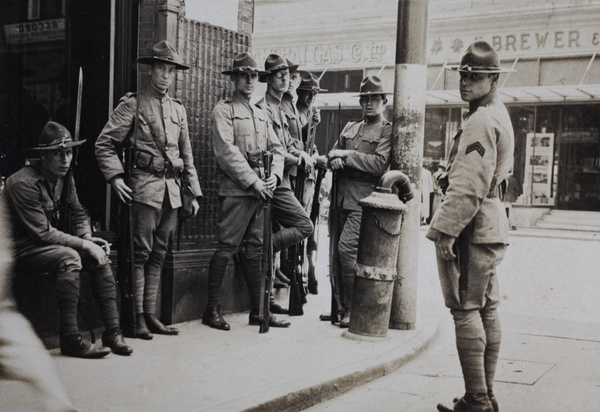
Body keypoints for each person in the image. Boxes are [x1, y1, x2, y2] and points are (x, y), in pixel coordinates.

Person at [426, 41, 515, 412]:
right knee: (487, 309)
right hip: (491, 224)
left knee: (465, 309)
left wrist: (445, 230)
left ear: (493, 79)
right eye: (462, 75)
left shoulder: (480, 120)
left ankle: (476, 401)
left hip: (471, 228)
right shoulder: (497, 112)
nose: (465, 82)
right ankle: (486, 396)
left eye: (474, 76)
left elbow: (469, 184)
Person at [95, 40, 202, 339]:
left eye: (170, 70)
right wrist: (116, 178)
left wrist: (192, 192)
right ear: (150, 71)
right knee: (139, 255)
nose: (166, 76)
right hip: (142, 188)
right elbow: (104, 144)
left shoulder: (178, 110)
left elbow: (187, 154)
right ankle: (137, 318)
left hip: (172, 190)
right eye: (160, 69)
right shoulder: (133, 103)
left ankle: (152, 315)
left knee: (159, 253)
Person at [5, 121, 133, 358]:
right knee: (70, 257)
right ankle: (70, 338)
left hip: (45, 247)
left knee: (100, 255)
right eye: (58, 153)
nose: (65, 159)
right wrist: (85, 245)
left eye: (68, 152)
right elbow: (42, 233)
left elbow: (77, 212)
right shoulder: (23, 183)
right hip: (19, 249)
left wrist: (87, 236)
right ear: (43, 156)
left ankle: (113, 332)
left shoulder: (65, 178)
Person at [202, 52, 287, 331]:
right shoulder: (223, 110)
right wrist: (254, 182)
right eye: (244, 76)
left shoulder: (261, 113)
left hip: (262, 191)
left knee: (255, 250)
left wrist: (273, 175)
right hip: (238, 191)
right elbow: (227, 153)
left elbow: (277, 149)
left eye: (253, 76)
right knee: (226, 247)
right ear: (235, 79)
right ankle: (211, 309)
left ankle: (257, 311)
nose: (250, 81)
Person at [323, 75, 393, 328]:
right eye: (365, 99)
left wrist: (347, 155)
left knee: (346, 250)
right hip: (340, 198)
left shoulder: (387, 130)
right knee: (334, 254)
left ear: (383, 102)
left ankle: (353, 309)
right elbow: (331, 153)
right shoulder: (350, 127)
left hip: (363, 201)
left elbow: (379, 164)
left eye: (374, 99)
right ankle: (339, 306)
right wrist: (335, 159)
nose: (369, 104)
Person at [257, 54, 315, 314]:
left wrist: (302, 154)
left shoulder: (281, 107)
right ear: (268, 79)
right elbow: (271, 149)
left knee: (285, 231)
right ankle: (264, 250)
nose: (284, 77)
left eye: (286, 73)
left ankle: (268, 296)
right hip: (272, 180)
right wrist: (297, 158)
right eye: (278, 74)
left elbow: (288, 143)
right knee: (304, 225)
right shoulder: (264, 108)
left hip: (286, 179)